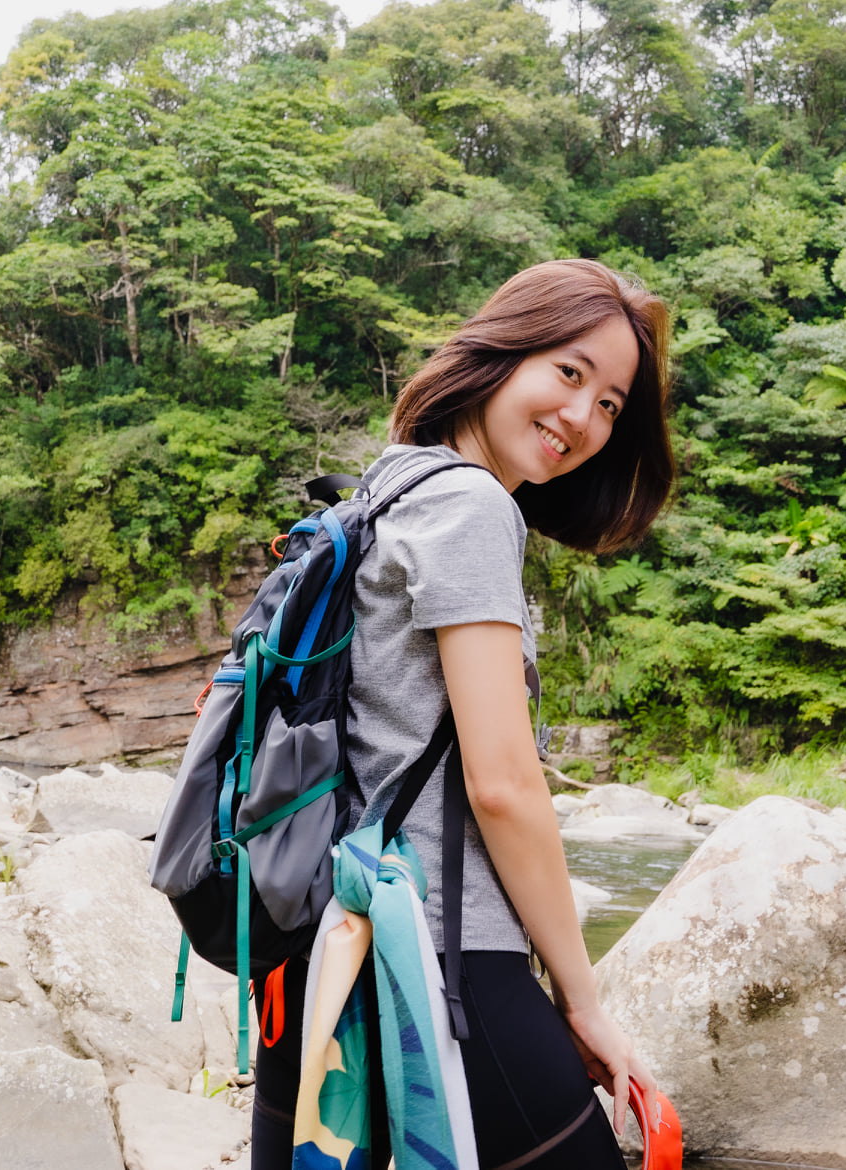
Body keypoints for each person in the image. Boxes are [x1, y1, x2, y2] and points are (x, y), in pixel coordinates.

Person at [251, 258, 676, 1170]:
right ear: (501, 354)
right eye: (569, 372)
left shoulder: (385, 488)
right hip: (444, 953)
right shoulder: (471, 506)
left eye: (609, 403)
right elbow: (502, 785)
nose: (582, 417)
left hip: (321, 943)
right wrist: (581, 1001)